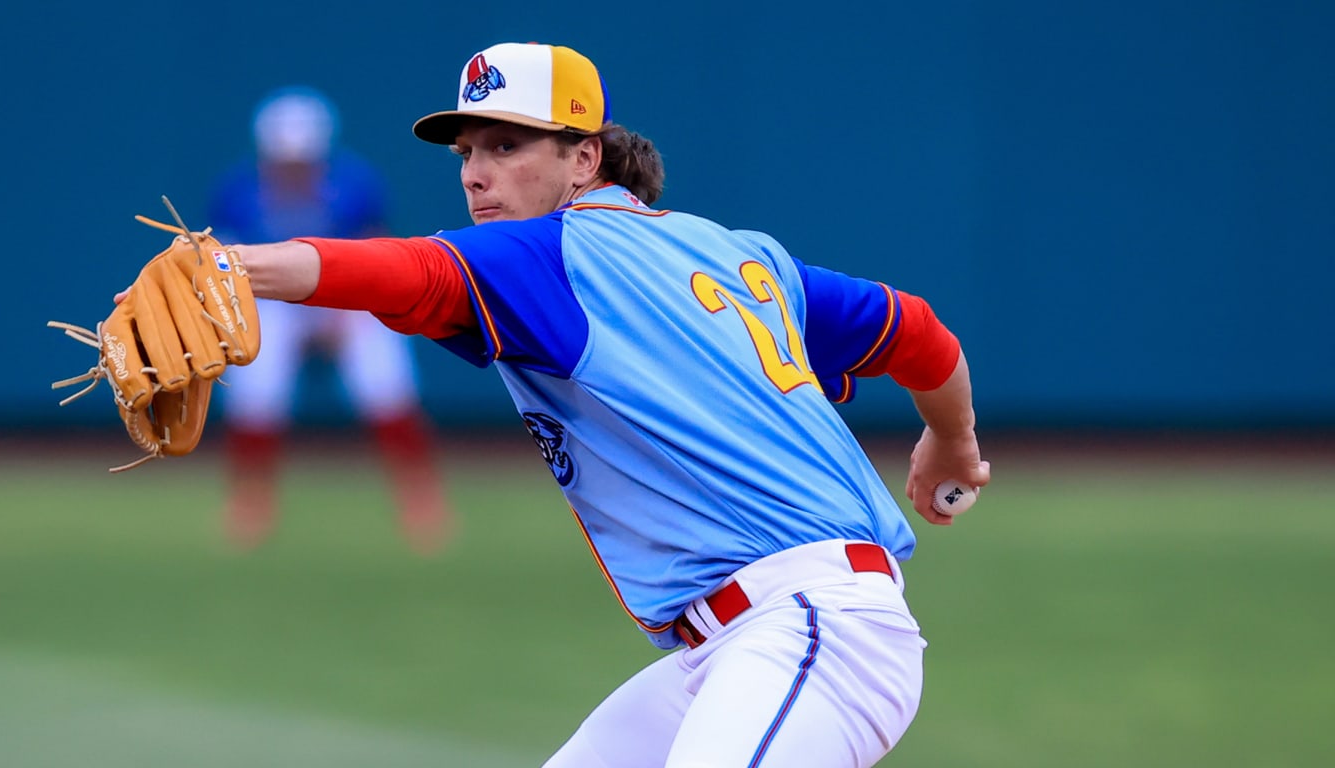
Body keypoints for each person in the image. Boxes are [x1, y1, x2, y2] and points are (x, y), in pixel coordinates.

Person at [216, 43, 987, 767]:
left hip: (814, 631)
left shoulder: (548, 255)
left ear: (584, 157)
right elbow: (914, 330)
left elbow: (404, 272)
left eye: (507, 146)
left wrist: (231, 267)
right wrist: (952, 438)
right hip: (726, 650)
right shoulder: (740, 254)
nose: (476, 174)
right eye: (467, 152)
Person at [208, 86, 451, 553]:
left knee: (386, 384)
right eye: (286, 158)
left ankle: (420, 499)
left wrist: (343, 314)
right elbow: (224, 266)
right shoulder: (239, 192)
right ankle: (249, 503)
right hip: (272, 301)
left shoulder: (354, 184)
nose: (295, 167)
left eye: (303, 158)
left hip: (348, 294)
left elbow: (376, 248)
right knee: (255, 390)